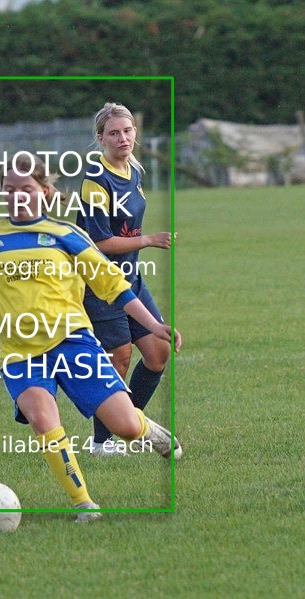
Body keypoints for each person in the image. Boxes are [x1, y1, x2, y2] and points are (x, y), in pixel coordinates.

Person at [0, 153, 181, 520]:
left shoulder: (68, 236)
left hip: (73, 343)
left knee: (125, 427)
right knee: (43, 418)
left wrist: (152, 325)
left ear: (45, 191)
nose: (16, 197)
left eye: (25, 189)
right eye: (8, 190)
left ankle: (147, 429)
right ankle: (84, 504)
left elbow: (112, 286)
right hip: (20, 353)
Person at [77, 102, 179, 456]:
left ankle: (133, 422)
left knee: (158, 351)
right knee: (118, 356)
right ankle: (102, 442)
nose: (123, 138)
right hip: (99, 283)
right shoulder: (95, 179)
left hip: (129, 277)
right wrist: (148, 240)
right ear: (100, 138)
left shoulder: (133, 170)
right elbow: (101, 242)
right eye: (114, 133)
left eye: (128, 131)